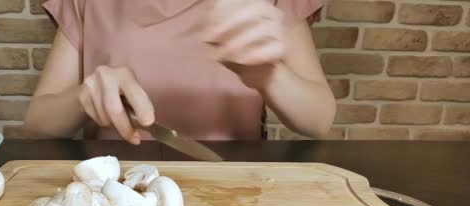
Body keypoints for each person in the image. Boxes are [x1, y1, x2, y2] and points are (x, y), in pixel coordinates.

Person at [25, 0, 336, 144]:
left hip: (236, 191)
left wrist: (269, 77)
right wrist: (85, 96)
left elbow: (318, 119)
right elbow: (39, 123)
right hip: (113, 194)